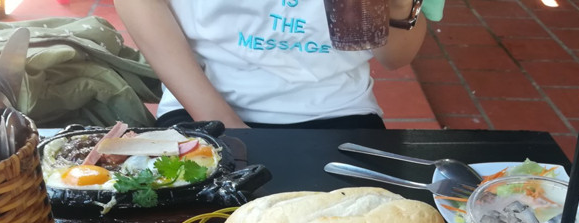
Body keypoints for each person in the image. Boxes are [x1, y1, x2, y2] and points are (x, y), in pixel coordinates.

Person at [114, 0, 438, 129]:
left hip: (337, 107)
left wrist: (398, 8)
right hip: (199, 102)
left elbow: (395, 57)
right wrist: (221, 122)